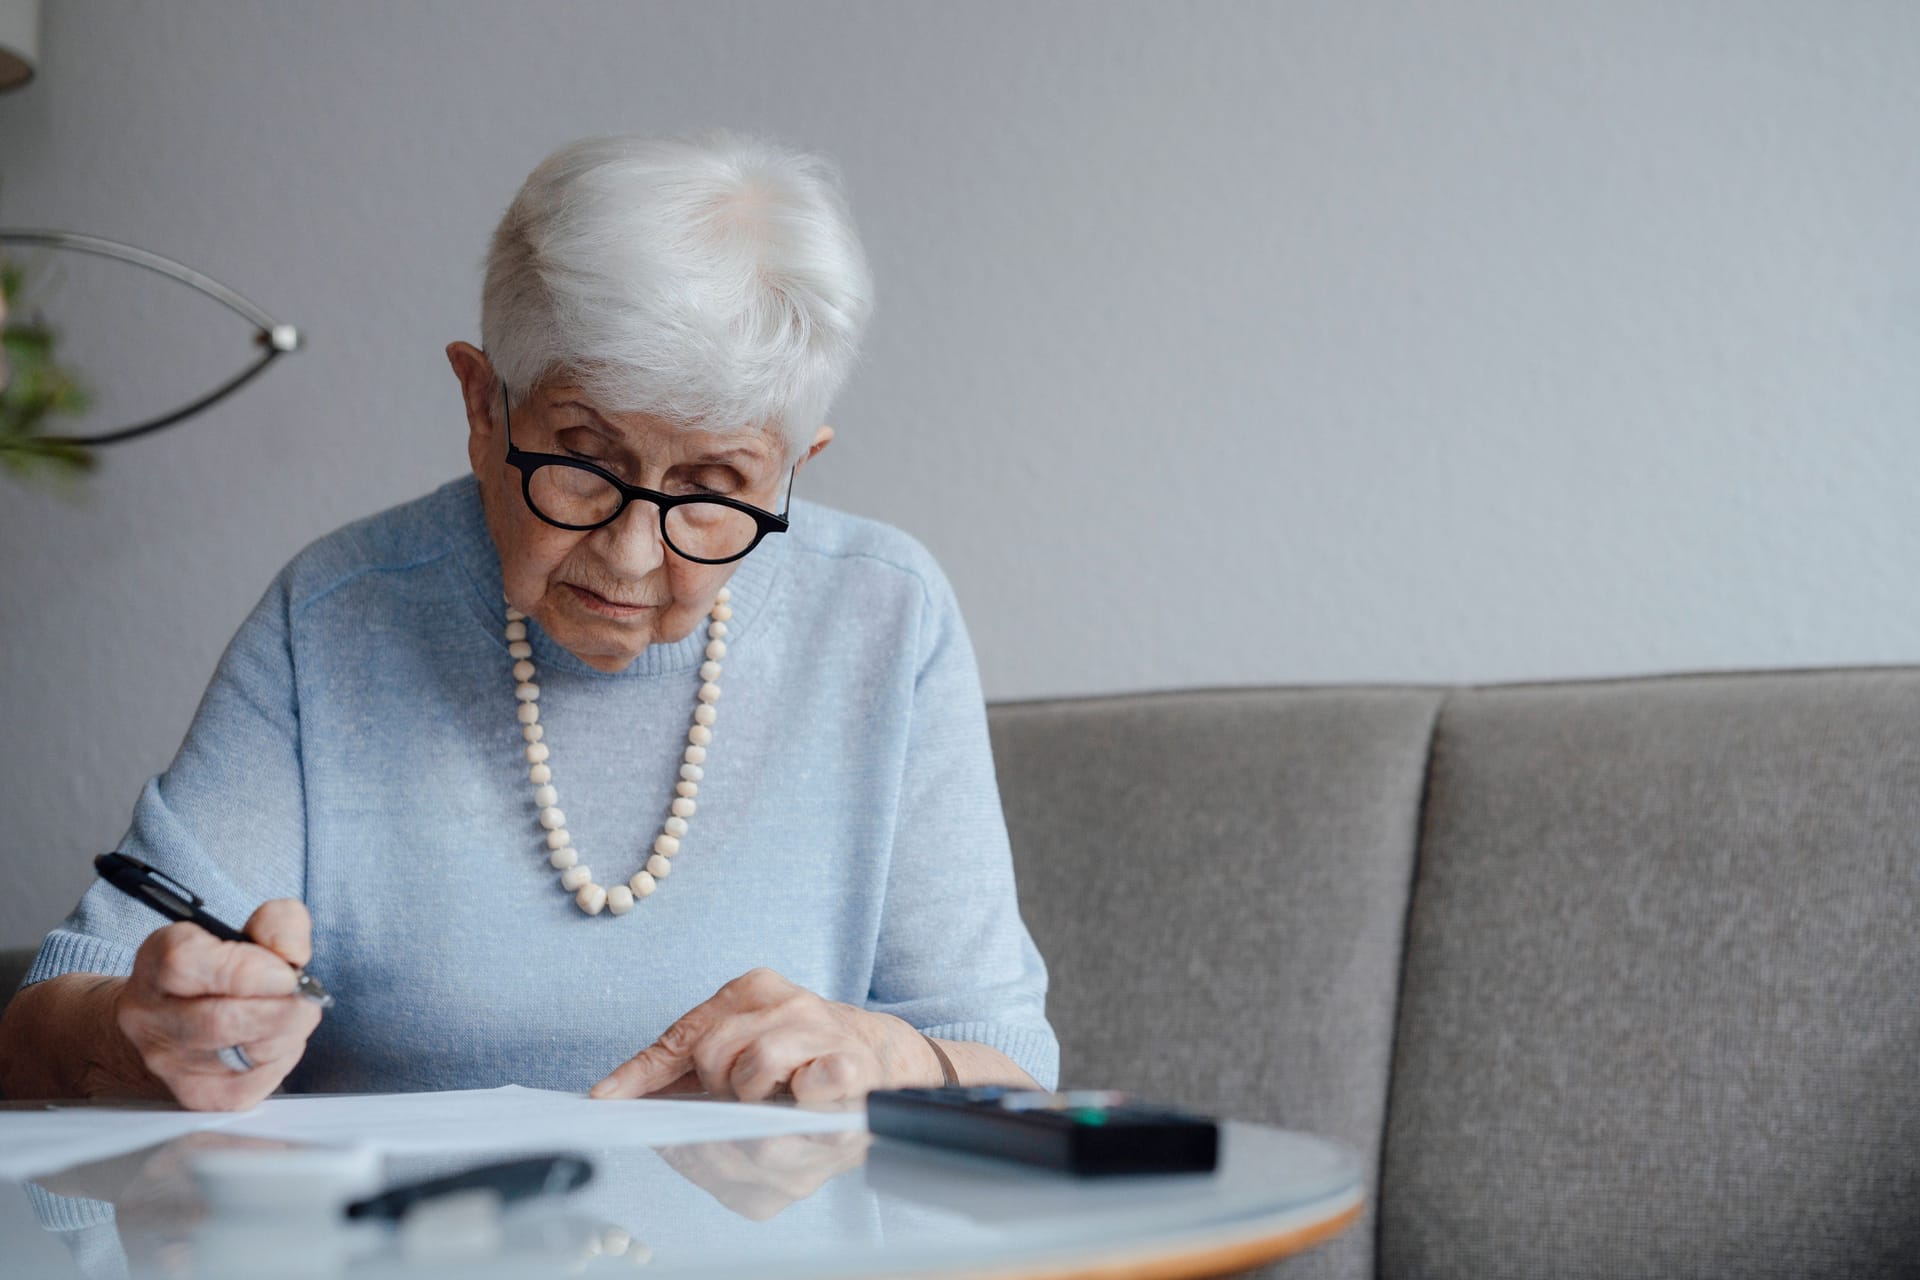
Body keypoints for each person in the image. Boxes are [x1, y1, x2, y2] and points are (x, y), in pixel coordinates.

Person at [0, 132, 1057, 1111]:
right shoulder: (338, 616)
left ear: (793, 471)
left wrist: (899, 1056)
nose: (634, 552)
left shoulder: (885, 614)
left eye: (714, 485)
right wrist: (150, 1030)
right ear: (481, 406)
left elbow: (1007, 1058)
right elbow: (46, 1021)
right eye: (586, 459)